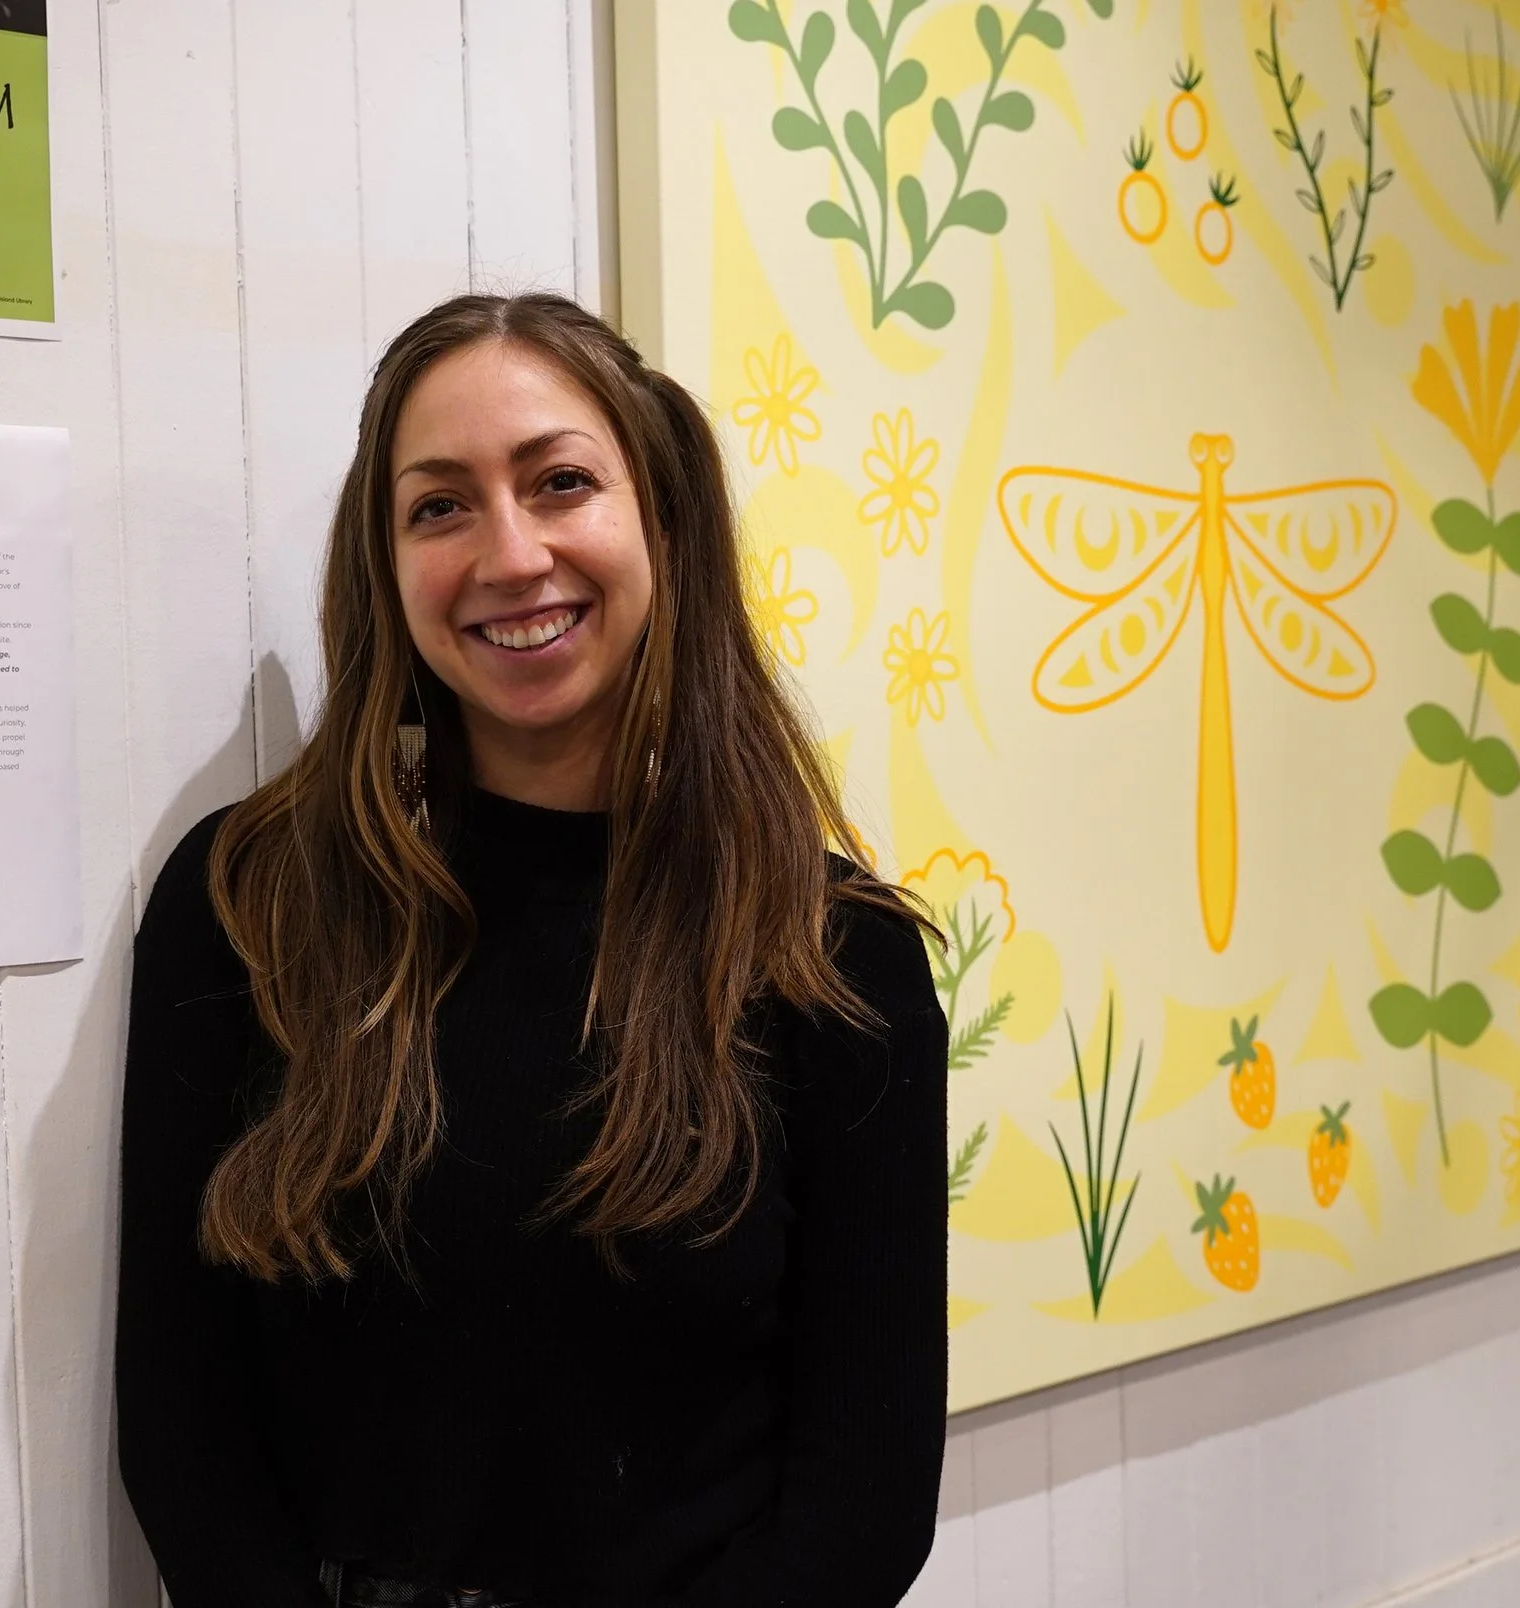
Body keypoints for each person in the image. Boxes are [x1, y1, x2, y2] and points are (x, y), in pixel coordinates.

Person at [116, 293, 949, 1608]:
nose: (511, 553)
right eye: (440, 505)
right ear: (385, 568)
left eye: (561, 482)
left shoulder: (831, 951)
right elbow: (178, 1418)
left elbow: (868, 1491)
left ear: (659, 521)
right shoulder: (252, 902)